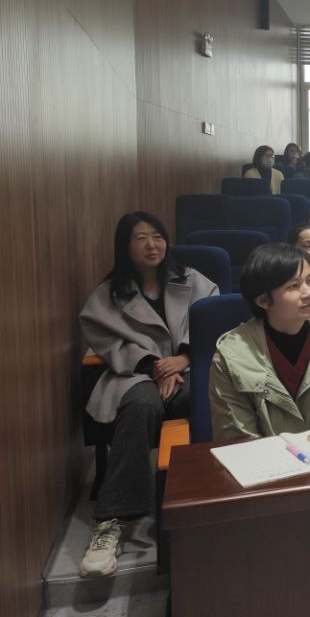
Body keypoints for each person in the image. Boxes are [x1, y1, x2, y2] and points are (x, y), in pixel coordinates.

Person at [78, 213, 218, 577]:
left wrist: (183, 359)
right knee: (141, 405)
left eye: (157, 236)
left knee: (205, 401)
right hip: (133, 374)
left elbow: (214, 322)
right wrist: (154, 367)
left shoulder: (191, 279)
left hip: (188, 370)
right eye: (141, 238)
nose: (152, 245)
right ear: (125, 246)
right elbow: (103, 338)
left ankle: (206, 501)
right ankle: (111, 519)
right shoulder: (109, 293)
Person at [209, 243, 310, 440]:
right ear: (263, 300)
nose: (309, 293)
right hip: (260, 458)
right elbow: (238, 438)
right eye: (293, 286)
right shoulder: (231, 354)